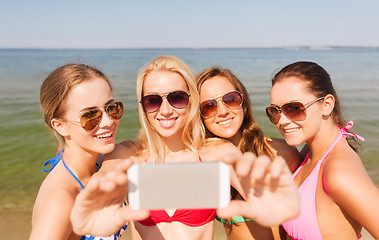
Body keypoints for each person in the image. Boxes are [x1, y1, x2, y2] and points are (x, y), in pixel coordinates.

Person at [70, 55, 300, 240]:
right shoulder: (126, 154)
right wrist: (94, 207)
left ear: (191, 101)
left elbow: (242, 175)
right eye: (153, 100)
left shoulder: (215, 152)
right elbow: (101, 180)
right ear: (143, 106)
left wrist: (266, 198)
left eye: (177, 98)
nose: (166, 110)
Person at [29, 64, 145, 240]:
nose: (107, 122)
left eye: (111, 108)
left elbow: (134, 146)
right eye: (90, 116)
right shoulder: (60, 199)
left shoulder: (100, 162)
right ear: (60, 126)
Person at [266, 61, 379, 239]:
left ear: (326, 104)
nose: (282, 121)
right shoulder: (309, 152)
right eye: (275, 111)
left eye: (294, 108)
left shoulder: (339, 172)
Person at [196, 67, 302, 240]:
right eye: (209, 106)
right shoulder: (206, 160)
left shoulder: (280, 152)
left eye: (230, 99)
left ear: (242, 102)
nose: (222, 111)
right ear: (199, 115)